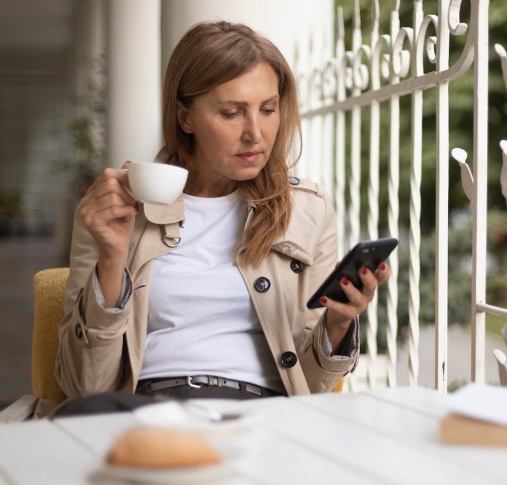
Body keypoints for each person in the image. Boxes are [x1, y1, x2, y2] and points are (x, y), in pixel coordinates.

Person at [53, 21, 390, 410]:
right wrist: (111, 260)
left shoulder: (308, 211)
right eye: (231, 113)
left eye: (268, 110)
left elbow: (311, 387)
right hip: (147, 408)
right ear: (185, 118)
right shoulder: (113, 210)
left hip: (263, 413)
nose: (256, 133)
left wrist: (340, 323)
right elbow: (85, 388)